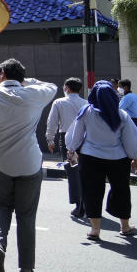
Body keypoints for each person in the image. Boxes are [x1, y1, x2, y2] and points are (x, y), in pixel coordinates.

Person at [0, 59, 56, 272]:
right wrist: (21, 80)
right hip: (29, 162)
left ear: (0, 74)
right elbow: (52, 86)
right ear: (21, 78)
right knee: (26, 216)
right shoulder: (36, 93)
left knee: (0, 206)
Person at [66, 81, 137, 241]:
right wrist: (135, 158)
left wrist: (71, 149)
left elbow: (75, 136)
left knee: (92, 192)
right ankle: (125, 226)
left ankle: (95, 230)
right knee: (121, 191)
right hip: (118, 159)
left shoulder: (86, 111)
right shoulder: (122, 114)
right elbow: (132, 141)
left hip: (90, 158)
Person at [45, 77, 88, 218]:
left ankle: (79, 205)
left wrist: (50, 139)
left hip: (68, 142)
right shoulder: (86, 103)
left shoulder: (59, 102)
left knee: (73, 171)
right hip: (83, 140)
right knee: (84, 171)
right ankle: (86, 202)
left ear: (67, 88)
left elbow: (52, 123)